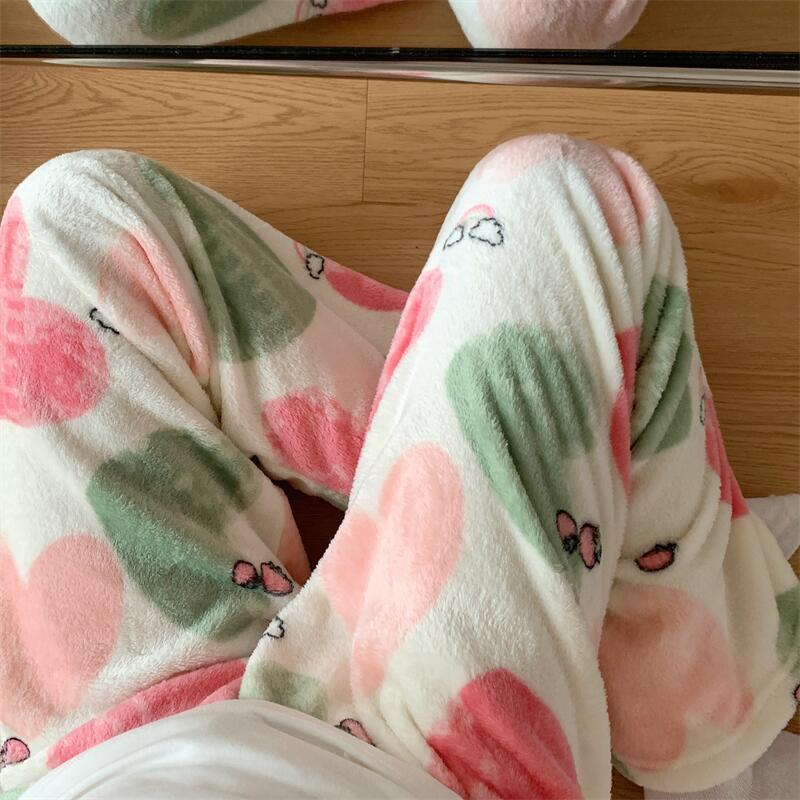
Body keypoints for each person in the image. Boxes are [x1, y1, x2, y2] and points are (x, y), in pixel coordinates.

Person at [1, 136, 797, 798]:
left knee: (67, 217)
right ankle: (704, 702)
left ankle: (530, 472)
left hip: (92, 753)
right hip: (409, 770)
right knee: (564, 193)